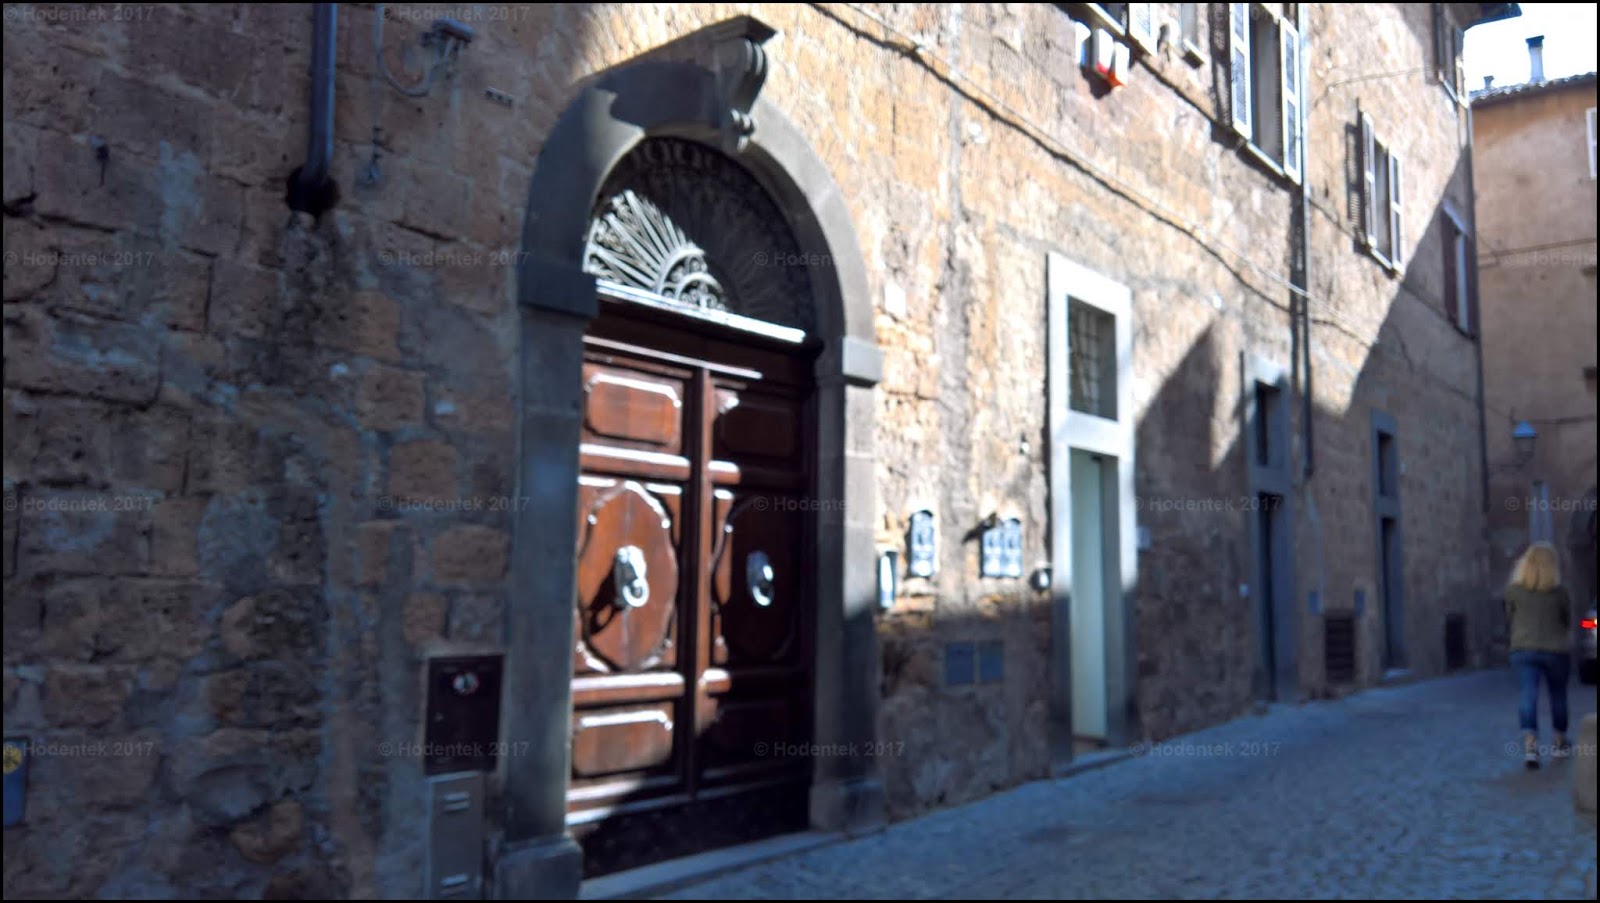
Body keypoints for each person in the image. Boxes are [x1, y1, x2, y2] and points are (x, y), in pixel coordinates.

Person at [1503, 542, 1573, 769]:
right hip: (1555, 650)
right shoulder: (1560, 593)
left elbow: (1509, 618)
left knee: (1527, 694)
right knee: (1558, 696)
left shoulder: (1513, 591)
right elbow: (1566, 620)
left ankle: (1531, 748)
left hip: (1523, 648)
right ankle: (1559, 742)